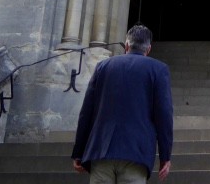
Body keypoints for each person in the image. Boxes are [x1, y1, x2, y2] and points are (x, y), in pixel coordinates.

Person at [71, 24, 173, 183]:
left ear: (126, 45)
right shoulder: (158, 70)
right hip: (136, 154)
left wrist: (79, 151)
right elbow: (164, 115)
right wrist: (165, 156)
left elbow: (87, 112)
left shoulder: (103, 66)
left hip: (101, 152)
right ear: (149, 49)